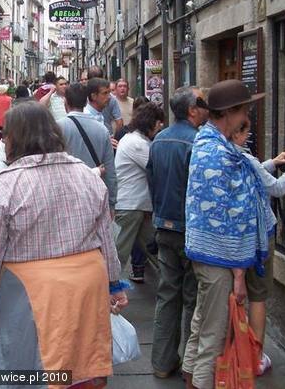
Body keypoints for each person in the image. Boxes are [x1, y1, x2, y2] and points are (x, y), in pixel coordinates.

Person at [0, 102, 127, 386]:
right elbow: (106, 240)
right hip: (86, 286)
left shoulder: (6, 185)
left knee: (29, 365)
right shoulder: (87, 175)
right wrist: (114, 285)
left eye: (6, 136)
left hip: (30, 293)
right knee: (82, 358)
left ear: (15, 138)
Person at [182, 79, 269, 389]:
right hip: (218, 257)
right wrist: (239, 272)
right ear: (230, 112)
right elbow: (230, 216)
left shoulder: (208, 143)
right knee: (214, 336)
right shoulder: (219, 153)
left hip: (206, 253)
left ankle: (190, 377)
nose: (246, 115)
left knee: (201, 324)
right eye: (244, 110)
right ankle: (200, 383)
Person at [231, 119, 285, 375]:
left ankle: (237, 352)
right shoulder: (244, 158)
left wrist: (273, 163)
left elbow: (253, 173)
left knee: (237, 296)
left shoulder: (223, 156)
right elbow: (277, 188)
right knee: (257, 296)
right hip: (259, 236)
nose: (248, 138)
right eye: (246, 133)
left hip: (235, 238)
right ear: (237, 133)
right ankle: (255, 358)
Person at [147, 86, 208, 379]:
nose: (207, 106)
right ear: (192, 110)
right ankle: (189, 367)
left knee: (167, 295)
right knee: (193, 298)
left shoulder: (159, 139)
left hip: (164, 226)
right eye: (203, 101)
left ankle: (162, 362)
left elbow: (152, 181)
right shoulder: (197, 142)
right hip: (189, 230)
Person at [114, 103, 164, 284]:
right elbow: (158, 168)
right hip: (130, 206)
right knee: (119, 253)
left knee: (154, 248)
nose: (160, 127)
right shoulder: (137, 144)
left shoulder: (134, 140)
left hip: (138, 206)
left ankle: (170, 282)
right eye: (158, 122)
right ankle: (107, 290)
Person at [58, 82, 117, 210]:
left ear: (66, 102)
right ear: (86, 102)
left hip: (68, 196)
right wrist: (111, 203)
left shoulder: (57, 128)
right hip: (96, 195)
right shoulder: (102, 130)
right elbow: (110, 170)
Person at [85, 66, 123, 135]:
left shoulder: (111, 99)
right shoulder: (83, 100)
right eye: (104, 93)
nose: (108, 97)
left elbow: (119, 122)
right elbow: (119, 122)